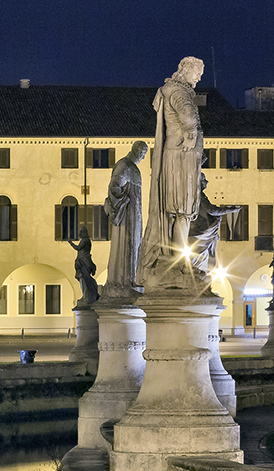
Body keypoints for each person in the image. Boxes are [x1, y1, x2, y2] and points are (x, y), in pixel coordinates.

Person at [137, 57, 205, 279]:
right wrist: (191, 135)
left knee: (181, 212)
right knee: (182, 210)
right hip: (181, 156)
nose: (199, 77)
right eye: (197, 72)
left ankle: (179, 258)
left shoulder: (173, 90)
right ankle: (180, 261)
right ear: (186, 70)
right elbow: (188, 116)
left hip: (177, 155)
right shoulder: (178, 91)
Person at [103, 140, 147, 298]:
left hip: (134, 215)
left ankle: (131, 279)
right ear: (136, 151)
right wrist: (123, 203)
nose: (143, 157)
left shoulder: (132, 168)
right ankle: (123, 281)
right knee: (126, 244)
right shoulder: (124, 166)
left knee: (134, 244)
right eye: (142, 153)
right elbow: (114, 187)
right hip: (126, 215)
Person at [185, 174, 242, 277]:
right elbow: (212, 210)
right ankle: (195, 271)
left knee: (200, 253)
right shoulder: (198, 195)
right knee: (199, 253)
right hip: (201, 230)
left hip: (199, 229)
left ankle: (197, 271)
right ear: (199, 182)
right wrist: (230, 210)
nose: (207, 182)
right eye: (204, 180)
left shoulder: (196, 195)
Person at [68, 227, 99, 304]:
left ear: (84, 233)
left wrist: (70, 243)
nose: (79, 234)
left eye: (81, 232)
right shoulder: (85, 240)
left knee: (85, 279)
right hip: (82, 261)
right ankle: (85, 296)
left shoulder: (85, 240)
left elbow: (78, 248)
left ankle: (87, 296)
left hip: (84, 261)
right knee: (82, 278)